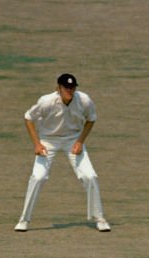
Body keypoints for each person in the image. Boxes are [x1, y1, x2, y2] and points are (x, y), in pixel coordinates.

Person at [15, 73, 110, 233]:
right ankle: (23, 220)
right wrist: (37, 144)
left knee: (90, 176)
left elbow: (91, 119)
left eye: (72, 87)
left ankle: (100, 219)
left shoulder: (84, 100)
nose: (70, 90)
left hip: (72, 139)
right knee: (38, 177)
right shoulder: (46, 101)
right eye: (66, 87)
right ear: (58, 88)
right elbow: (28, 118)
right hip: (48, 140)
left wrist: (80, 141)